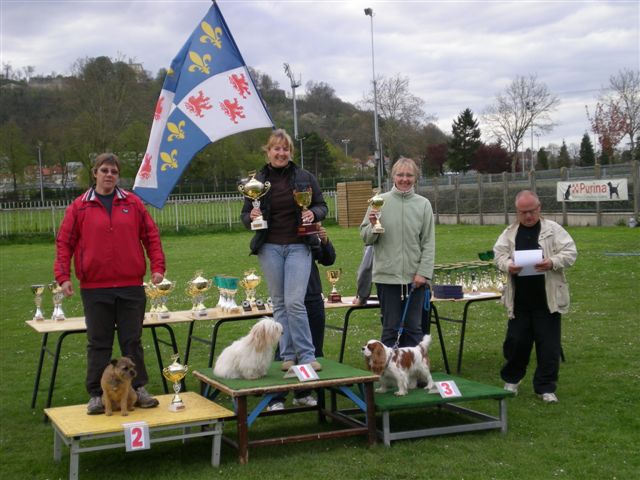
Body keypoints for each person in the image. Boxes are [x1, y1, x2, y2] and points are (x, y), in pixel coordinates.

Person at [54, 153, 166, 414]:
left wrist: (158, 267)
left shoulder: (133, 203)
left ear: (118, 176)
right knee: (98, 343)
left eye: (113, 171)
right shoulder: (79, 207)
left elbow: (151, 235)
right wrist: (63, 276)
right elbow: (64, 243)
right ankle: (96, 394)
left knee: (132, 341)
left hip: (131, 286)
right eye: (104, 170)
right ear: (95, 173)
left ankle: (137, 389)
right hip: (95, 288)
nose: (109, 175)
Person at [241, 129, 327, 372]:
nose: (281, 153)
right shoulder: (256, 182)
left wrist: (314, 213)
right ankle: (287, 355)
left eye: (285, 148)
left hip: (299, 246)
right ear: (268, 152)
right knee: (279, 303)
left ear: (290, 151)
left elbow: (322, 205)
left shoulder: (305, 177)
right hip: (269, 247)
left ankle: (307, 355)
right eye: (276, 149)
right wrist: (252, 216)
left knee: (294, 302)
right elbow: (245, 216)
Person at [493, 190, 577, 404]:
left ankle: (545, 388)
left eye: (531, 211)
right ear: (517, 212)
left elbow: (570, 252)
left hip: (547, 300)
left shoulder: (553, 230)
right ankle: (512, 380)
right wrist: (508, 265)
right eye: (523, 212)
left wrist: (551, 262)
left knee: (548, 347)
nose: (528, 216)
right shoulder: (510, 233)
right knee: (516, 343)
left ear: (539, 209)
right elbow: (498, 254)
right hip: (519, 301)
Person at [360, 157, 435, 348]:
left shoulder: (423, 204)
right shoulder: (379, 202)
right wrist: (374, 224)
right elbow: (366, 238)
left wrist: (423, 273)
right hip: (387, 277)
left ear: (415, 178)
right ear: (393, 176)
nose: (404, 179)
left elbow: (428, 242)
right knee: (390, 329)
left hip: (414, 279)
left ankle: (414, 376)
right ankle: (388, 376)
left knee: (413, 330)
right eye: (400, 174)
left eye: (409, 175)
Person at [267, 223, 336, 411]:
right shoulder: (281, 241)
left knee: (312, 349)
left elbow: (329, 259)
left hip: (311, 297)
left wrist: (324, 240)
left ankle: (304, 393)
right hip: (286, 305)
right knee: (283, 353)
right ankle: (276, 397)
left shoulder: (307, 233)